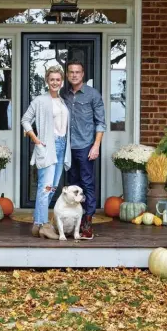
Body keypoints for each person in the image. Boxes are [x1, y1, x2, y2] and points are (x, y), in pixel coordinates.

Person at [21, 65, 71, 239]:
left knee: (52, 188)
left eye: (58, 79)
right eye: (52, 80)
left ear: (62, 81)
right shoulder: (40, 101)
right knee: (45, 187)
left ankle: (38, 224)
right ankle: (43, 225)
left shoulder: (63, 101)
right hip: (48, 147)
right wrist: (35, 139)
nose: (55, 82)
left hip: (62, 146)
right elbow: (25, 120)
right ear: (47, 81)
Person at [60, 59, 106, 240]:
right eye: (71, 72)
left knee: (87, 183)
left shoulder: (93, 95)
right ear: (67, 75)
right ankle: (73, 222)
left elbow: (100, 123)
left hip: (86, 145)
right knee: (72, 183)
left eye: (77, 72)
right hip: (67, 147)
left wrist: (96, 145)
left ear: (83, 74)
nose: (74, 75)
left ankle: (87, 222)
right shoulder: (64, 94)